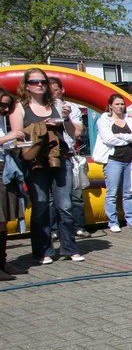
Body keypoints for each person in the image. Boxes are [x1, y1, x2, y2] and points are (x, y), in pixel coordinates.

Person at [9, 68, 85, 264]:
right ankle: (43, 251)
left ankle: (69, 248)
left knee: (65, 205)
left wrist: (66, 118)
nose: (40, 85)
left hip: (60, 157)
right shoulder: (19, 107)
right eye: (34, 82)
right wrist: (41, 127)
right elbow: (18, 139)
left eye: (42, 81)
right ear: (26, 85)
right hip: (35, 161)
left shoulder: (57, 103)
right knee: (41, 205)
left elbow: (74, 133)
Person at [47, 77, 89, 237]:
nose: (52, 94)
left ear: (62, 90)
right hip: (49, 154)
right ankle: (53, 230)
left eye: (55, 90)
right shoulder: (42, 108)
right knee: (51, 198)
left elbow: (77, 132)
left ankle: (78, 226)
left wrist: (66, 117)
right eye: (49, 91)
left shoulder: (72, 108)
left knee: (75, 194)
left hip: (68, 154)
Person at [94, 93, 132, 233]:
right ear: (110, 106)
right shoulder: (103, 120)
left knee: (128, 192)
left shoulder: (130, 120)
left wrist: (120, 136)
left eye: (122, 104)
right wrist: (128, 138)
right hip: (113, 159)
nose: (120, 107)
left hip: (130, 159)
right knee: (112, 192)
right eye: (117, 104)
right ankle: (113, 221)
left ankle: (131, 219)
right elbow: (108, 139)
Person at [0, 88, 30, 280]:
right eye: (2, 105)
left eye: (7, 106)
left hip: (5, 168)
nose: (5, 109)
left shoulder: (2, 120)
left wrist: (14, 144)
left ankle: (2, 261)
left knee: (4, 220)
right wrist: (8, 137)